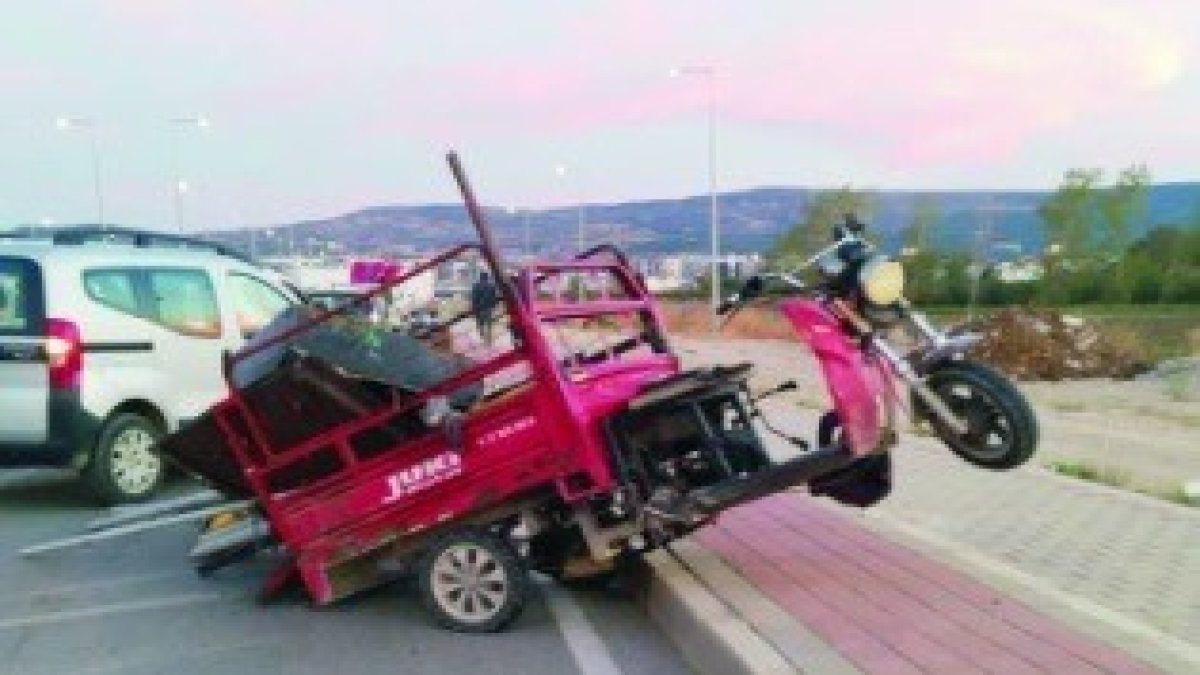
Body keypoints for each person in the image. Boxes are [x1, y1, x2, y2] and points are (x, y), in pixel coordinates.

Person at [469, 270, 499, 346]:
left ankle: (482, 338)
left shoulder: (476, 286)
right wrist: (493, 306)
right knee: (489, 324)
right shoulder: (491, 286)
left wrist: (473, 308)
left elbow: (474, 298)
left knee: (480, 323)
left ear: (480, 277)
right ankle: (489, 339)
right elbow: (494, 298)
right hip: (488, 308)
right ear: (487, 278)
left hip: (479, 308)